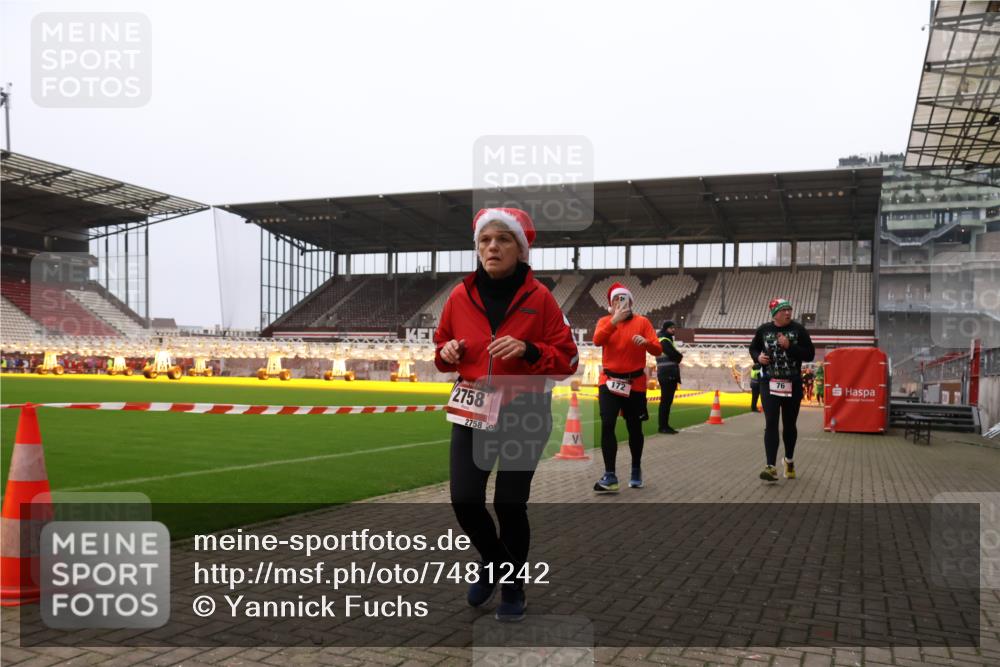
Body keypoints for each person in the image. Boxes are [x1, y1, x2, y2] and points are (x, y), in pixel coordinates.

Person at [434, 207, 578, 623]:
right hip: (472, 408)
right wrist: (446, 353)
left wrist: (530, 350)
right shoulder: (459, 295)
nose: (492, 247)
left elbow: (567, 360)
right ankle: (498, 564)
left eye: (502, 239)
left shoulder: (541, 299)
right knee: (464, 499)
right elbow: (443, 349)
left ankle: (512, 585)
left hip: (524, 412)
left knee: (510, 505)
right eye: (484, 240)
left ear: (520, 248)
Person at [592, 283, 662, 492]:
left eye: (624, 299)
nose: (620, 303)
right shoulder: (605, 322)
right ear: (610, 305)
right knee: (607, 424)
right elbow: (597, 340)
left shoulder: (642, 322)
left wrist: (646, 343)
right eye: (616, 300)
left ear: (631, 302)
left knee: (634, 427)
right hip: (609, 381)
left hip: (635, 383)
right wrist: (614, 320)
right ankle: (610, 475)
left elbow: (657, 349)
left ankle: (635, 469)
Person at [749, 298, 815, 483]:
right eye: (783, 310)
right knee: (771, 422)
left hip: (792, 383)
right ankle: (770, 467)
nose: (788, 313)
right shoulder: (764, 330)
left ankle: (789, 460)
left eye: (789, 309)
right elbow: (753, 348)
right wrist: (758, 357)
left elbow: (809, 354)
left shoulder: (798, 330)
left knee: (789, 424)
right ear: (775, 313)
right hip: (769, 383)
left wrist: (790, 346)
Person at [655, 320, 683, 434]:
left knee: (666, 402)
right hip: (667, 374)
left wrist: (678, 356)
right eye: (671, 328)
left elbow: (675, 356)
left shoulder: (665, 339)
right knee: (666, 402)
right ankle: (663, 427)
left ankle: (664, 425)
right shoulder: (664, 340)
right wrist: (679, 356)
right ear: (666, 329)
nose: (673, 330)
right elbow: (675, 355)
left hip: (667, 374)